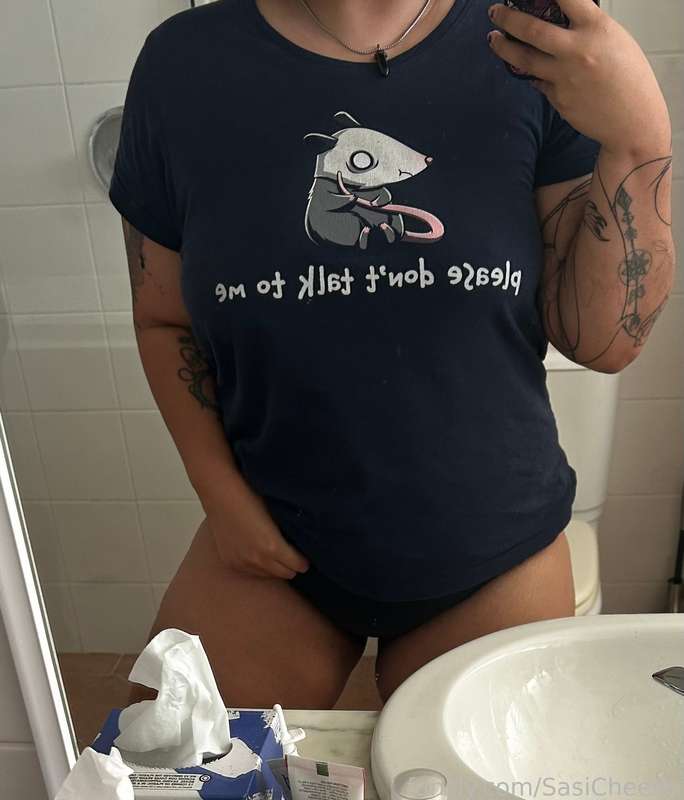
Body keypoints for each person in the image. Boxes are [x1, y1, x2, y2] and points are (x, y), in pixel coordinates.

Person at [109, 0, 673, 707]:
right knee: (163, 762)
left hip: (493, 550)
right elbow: (164, 320)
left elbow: (606, 343)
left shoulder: (530, 47)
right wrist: (221, 498)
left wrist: (638, 140)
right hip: (274, 541)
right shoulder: (182, 66)